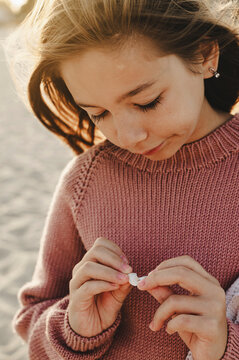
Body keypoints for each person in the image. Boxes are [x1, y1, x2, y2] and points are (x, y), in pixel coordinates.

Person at [5, 0, 239, 359]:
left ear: (205, 55)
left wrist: (226, 344)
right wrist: (75, 329)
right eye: (98, 113)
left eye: (147, 101)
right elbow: (31, 318)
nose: (128, 136)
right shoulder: (85, 181)